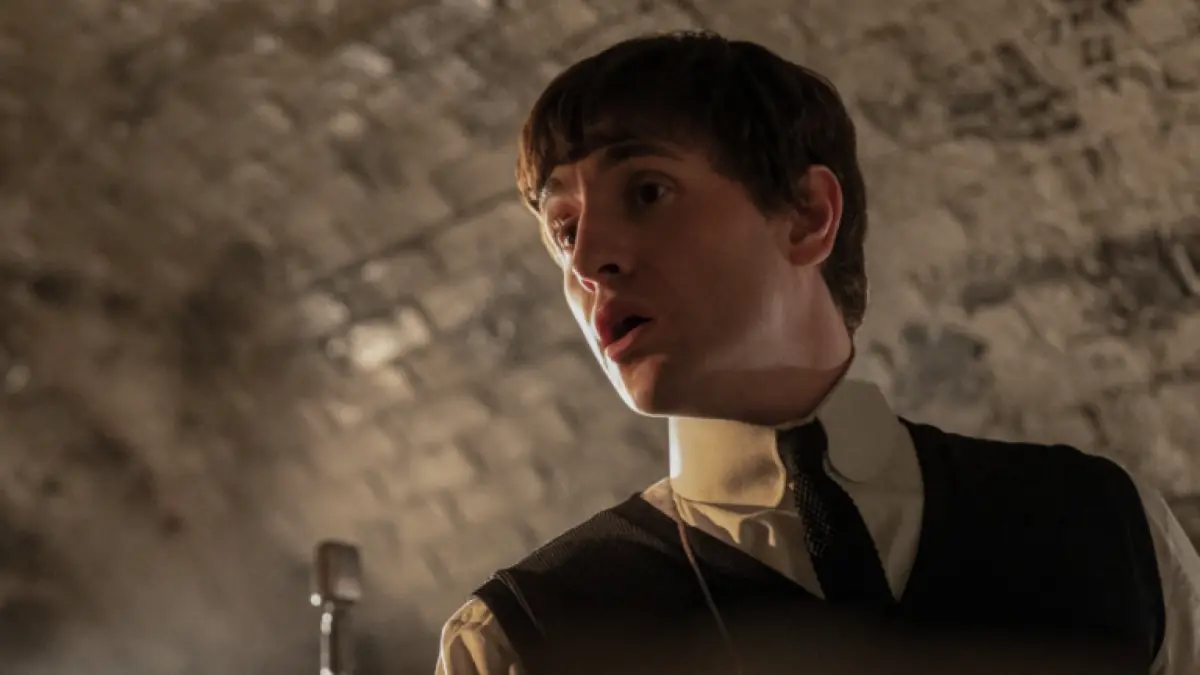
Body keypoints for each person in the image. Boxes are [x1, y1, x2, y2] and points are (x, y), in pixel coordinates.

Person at [434, 31, 1200, 675]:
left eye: (647, 191)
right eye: (564, 229)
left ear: (807, 214)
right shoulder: (519, 639)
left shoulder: (1111, 527)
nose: (586, 259)